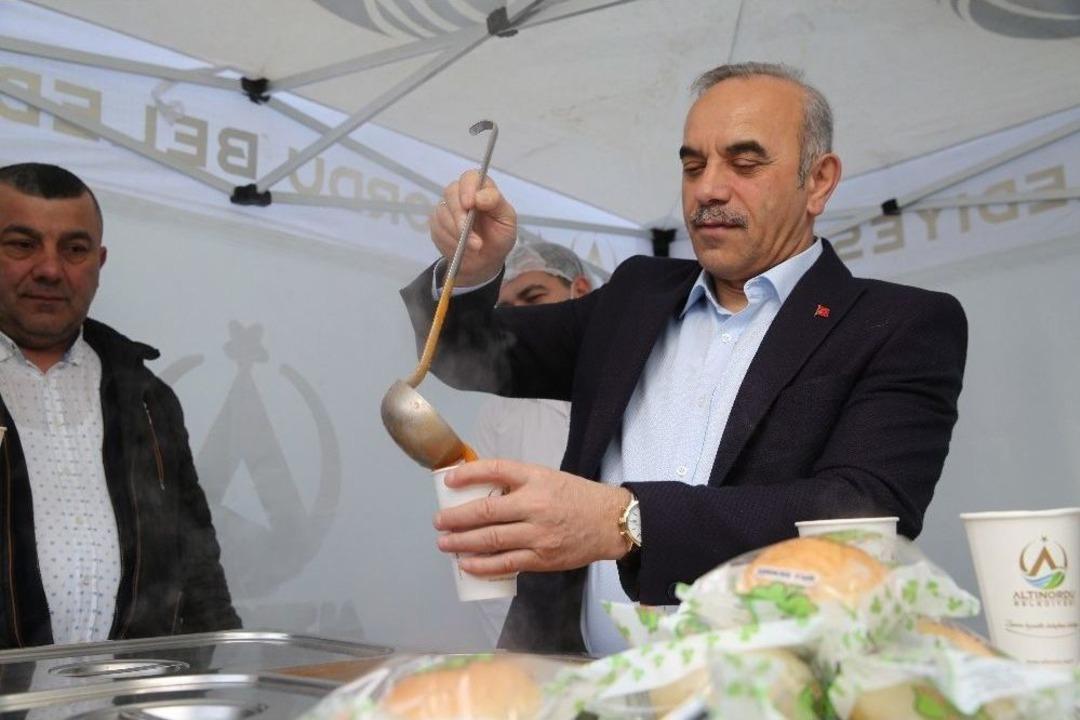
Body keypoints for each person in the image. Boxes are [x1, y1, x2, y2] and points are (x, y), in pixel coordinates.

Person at [403, 62, 967, 655]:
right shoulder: (635, 296)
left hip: (758, 687)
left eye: (744, 163)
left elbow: (864, 515)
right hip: (573, 679)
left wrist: (627, 520)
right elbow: (469, 355)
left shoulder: (895, 323)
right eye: (693, 165)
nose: (708, 189)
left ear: (819, 181)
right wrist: (471, 272)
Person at [0, 163, 240, 649]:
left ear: (99, 261)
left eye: (75, 249)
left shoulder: (146, 396)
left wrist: (219, 670)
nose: (50, 269)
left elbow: (197, 568)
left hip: (127, 689)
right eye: (22, 245)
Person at [472, 241, 596, 644]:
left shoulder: (631, 383)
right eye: (507, 308)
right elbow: (482, 532)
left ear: (581, 291)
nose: (520, 317)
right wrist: (511, 643)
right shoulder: (499, 411)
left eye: (534, 297)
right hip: (535, 620)